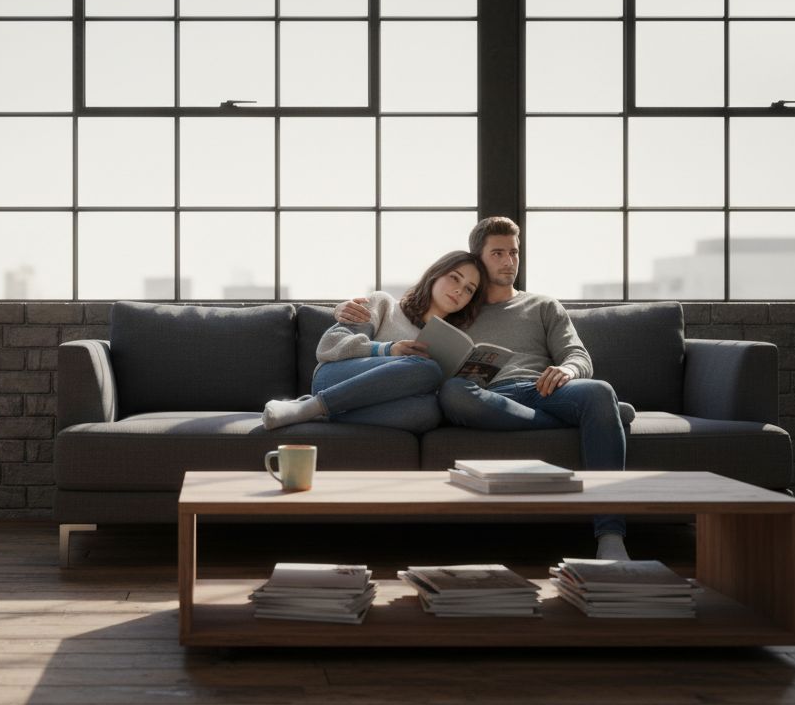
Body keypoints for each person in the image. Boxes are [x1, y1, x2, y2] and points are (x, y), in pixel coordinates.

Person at [334, 217, 631, 561]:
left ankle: (611, 534)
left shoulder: (543, 306)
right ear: (479, 257)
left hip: (544, 391)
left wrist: (566, 370)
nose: (509, 262)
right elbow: (402, 313)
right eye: (498, 253)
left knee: (597, 391)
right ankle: (593, 418)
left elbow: (577, 355)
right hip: (486, 398)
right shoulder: (457, 309)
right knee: (453, 393)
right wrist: (342, 310)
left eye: (514, 253)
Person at [262, 250, 485, 433]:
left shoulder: (450, 341)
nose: (459, 290)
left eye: (468, 289)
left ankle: (319, 412)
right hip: (332, 379)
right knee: (428, 368)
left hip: (369, 402)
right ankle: (311, 406)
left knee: (428, 412)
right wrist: (388, 349)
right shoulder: (384, 304)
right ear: (435, 275)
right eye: (455, 277)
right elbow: (328, 346)